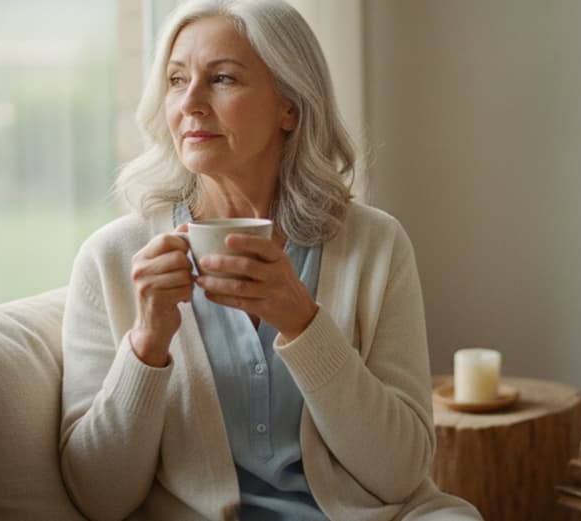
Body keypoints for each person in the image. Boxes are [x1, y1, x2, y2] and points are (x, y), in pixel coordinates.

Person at [59, 0, 483, 520]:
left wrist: (304, 325)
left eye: (222, 79)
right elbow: (98, 498)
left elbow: (400, 473)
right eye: (175, 80)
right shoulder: (112, 259)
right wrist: (146, 345)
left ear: (290, 105)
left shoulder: (376, 245)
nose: (190, 102)